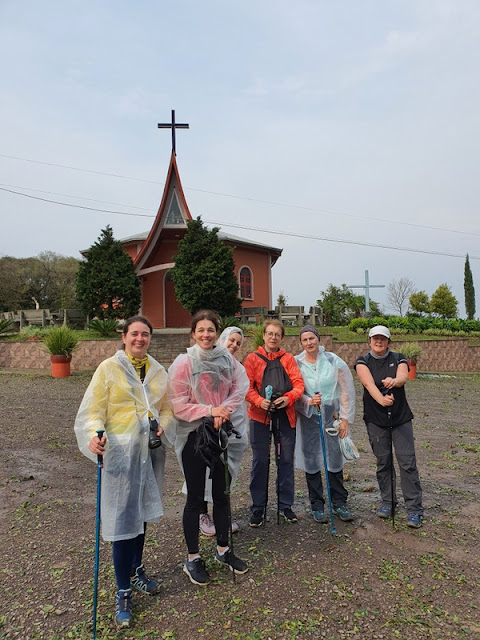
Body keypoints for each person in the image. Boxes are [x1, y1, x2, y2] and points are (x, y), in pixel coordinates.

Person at [74, 316, 174, 629]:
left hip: (149, 453)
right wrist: (94, 434)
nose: (140, 339)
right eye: (135, 333)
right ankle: (123, 590)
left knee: (141, 513)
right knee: (120, 519)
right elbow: (93, 411)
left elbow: (168, 409)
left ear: (150, 338)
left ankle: (137, 568)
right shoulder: (109, 368)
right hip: (119, 455)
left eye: (145, 334)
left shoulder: (158, 371)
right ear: (124, 336)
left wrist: (162, 426)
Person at [167, 310, 250, 586]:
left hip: (219, 432)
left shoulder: (227, 360)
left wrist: (223, 410)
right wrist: (209, 409)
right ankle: (192, 558)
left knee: (222, 494)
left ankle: (223, 550)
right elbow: (177, 403)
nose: (206, 335)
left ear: (217, 332)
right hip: (194, 435)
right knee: (194, 497)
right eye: (201, 330)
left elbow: (240, 387)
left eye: (211, 330)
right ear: (193, 333)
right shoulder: (184, 362)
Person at [354, 325, 424, 528]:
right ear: (369, 341)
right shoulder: (362, 361)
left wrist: (395, 381)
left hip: (400, 419)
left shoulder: (399, 357)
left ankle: (414, 509)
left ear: (388, 342)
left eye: (382, 339)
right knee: (383, 462)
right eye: (375, 338)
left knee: (407, 463)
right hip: (376, 420)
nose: (379, 341)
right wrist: (381, 400)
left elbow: (404, 376)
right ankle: (388, 502)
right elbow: (368, 384)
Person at [244, 319, 304, 527]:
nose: (273, 337)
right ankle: (258, 508)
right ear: (263, 335)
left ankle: (285, 505)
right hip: (259, 416)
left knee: (285, 460)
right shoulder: (252, 359)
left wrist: (289, 398)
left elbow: (298, 384)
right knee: (260, 461)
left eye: (277, 334)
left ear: (281, 337)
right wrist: (260, 401)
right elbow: (247, 387)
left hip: (285, 415)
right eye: (269, 333)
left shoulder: (288, 359)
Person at [295, 326, 356, 523]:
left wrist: (345, 418)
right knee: (312, 459)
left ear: (318, 339)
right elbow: (295, 390)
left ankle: (339, 502)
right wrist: (307, 400)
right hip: (310, 415)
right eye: (304, 340)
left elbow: (345, 390)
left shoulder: (332, 360)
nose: (309, 343)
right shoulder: (297, 363)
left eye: (311, 338)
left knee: (334, 457)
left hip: (332, 413)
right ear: (301, 343)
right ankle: (317, 504)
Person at [198, 326, 248, 537]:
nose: (234, 345)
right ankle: (202, 515)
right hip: (207, 425)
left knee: (223, 473)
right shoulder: (208, 359)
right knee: (203, 470)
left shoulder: (237, 367)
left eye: (238, 343)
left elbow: (239, 393)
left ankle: (221, 514)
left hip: (229, 425)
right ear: (224, 339)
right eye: (232, 340)